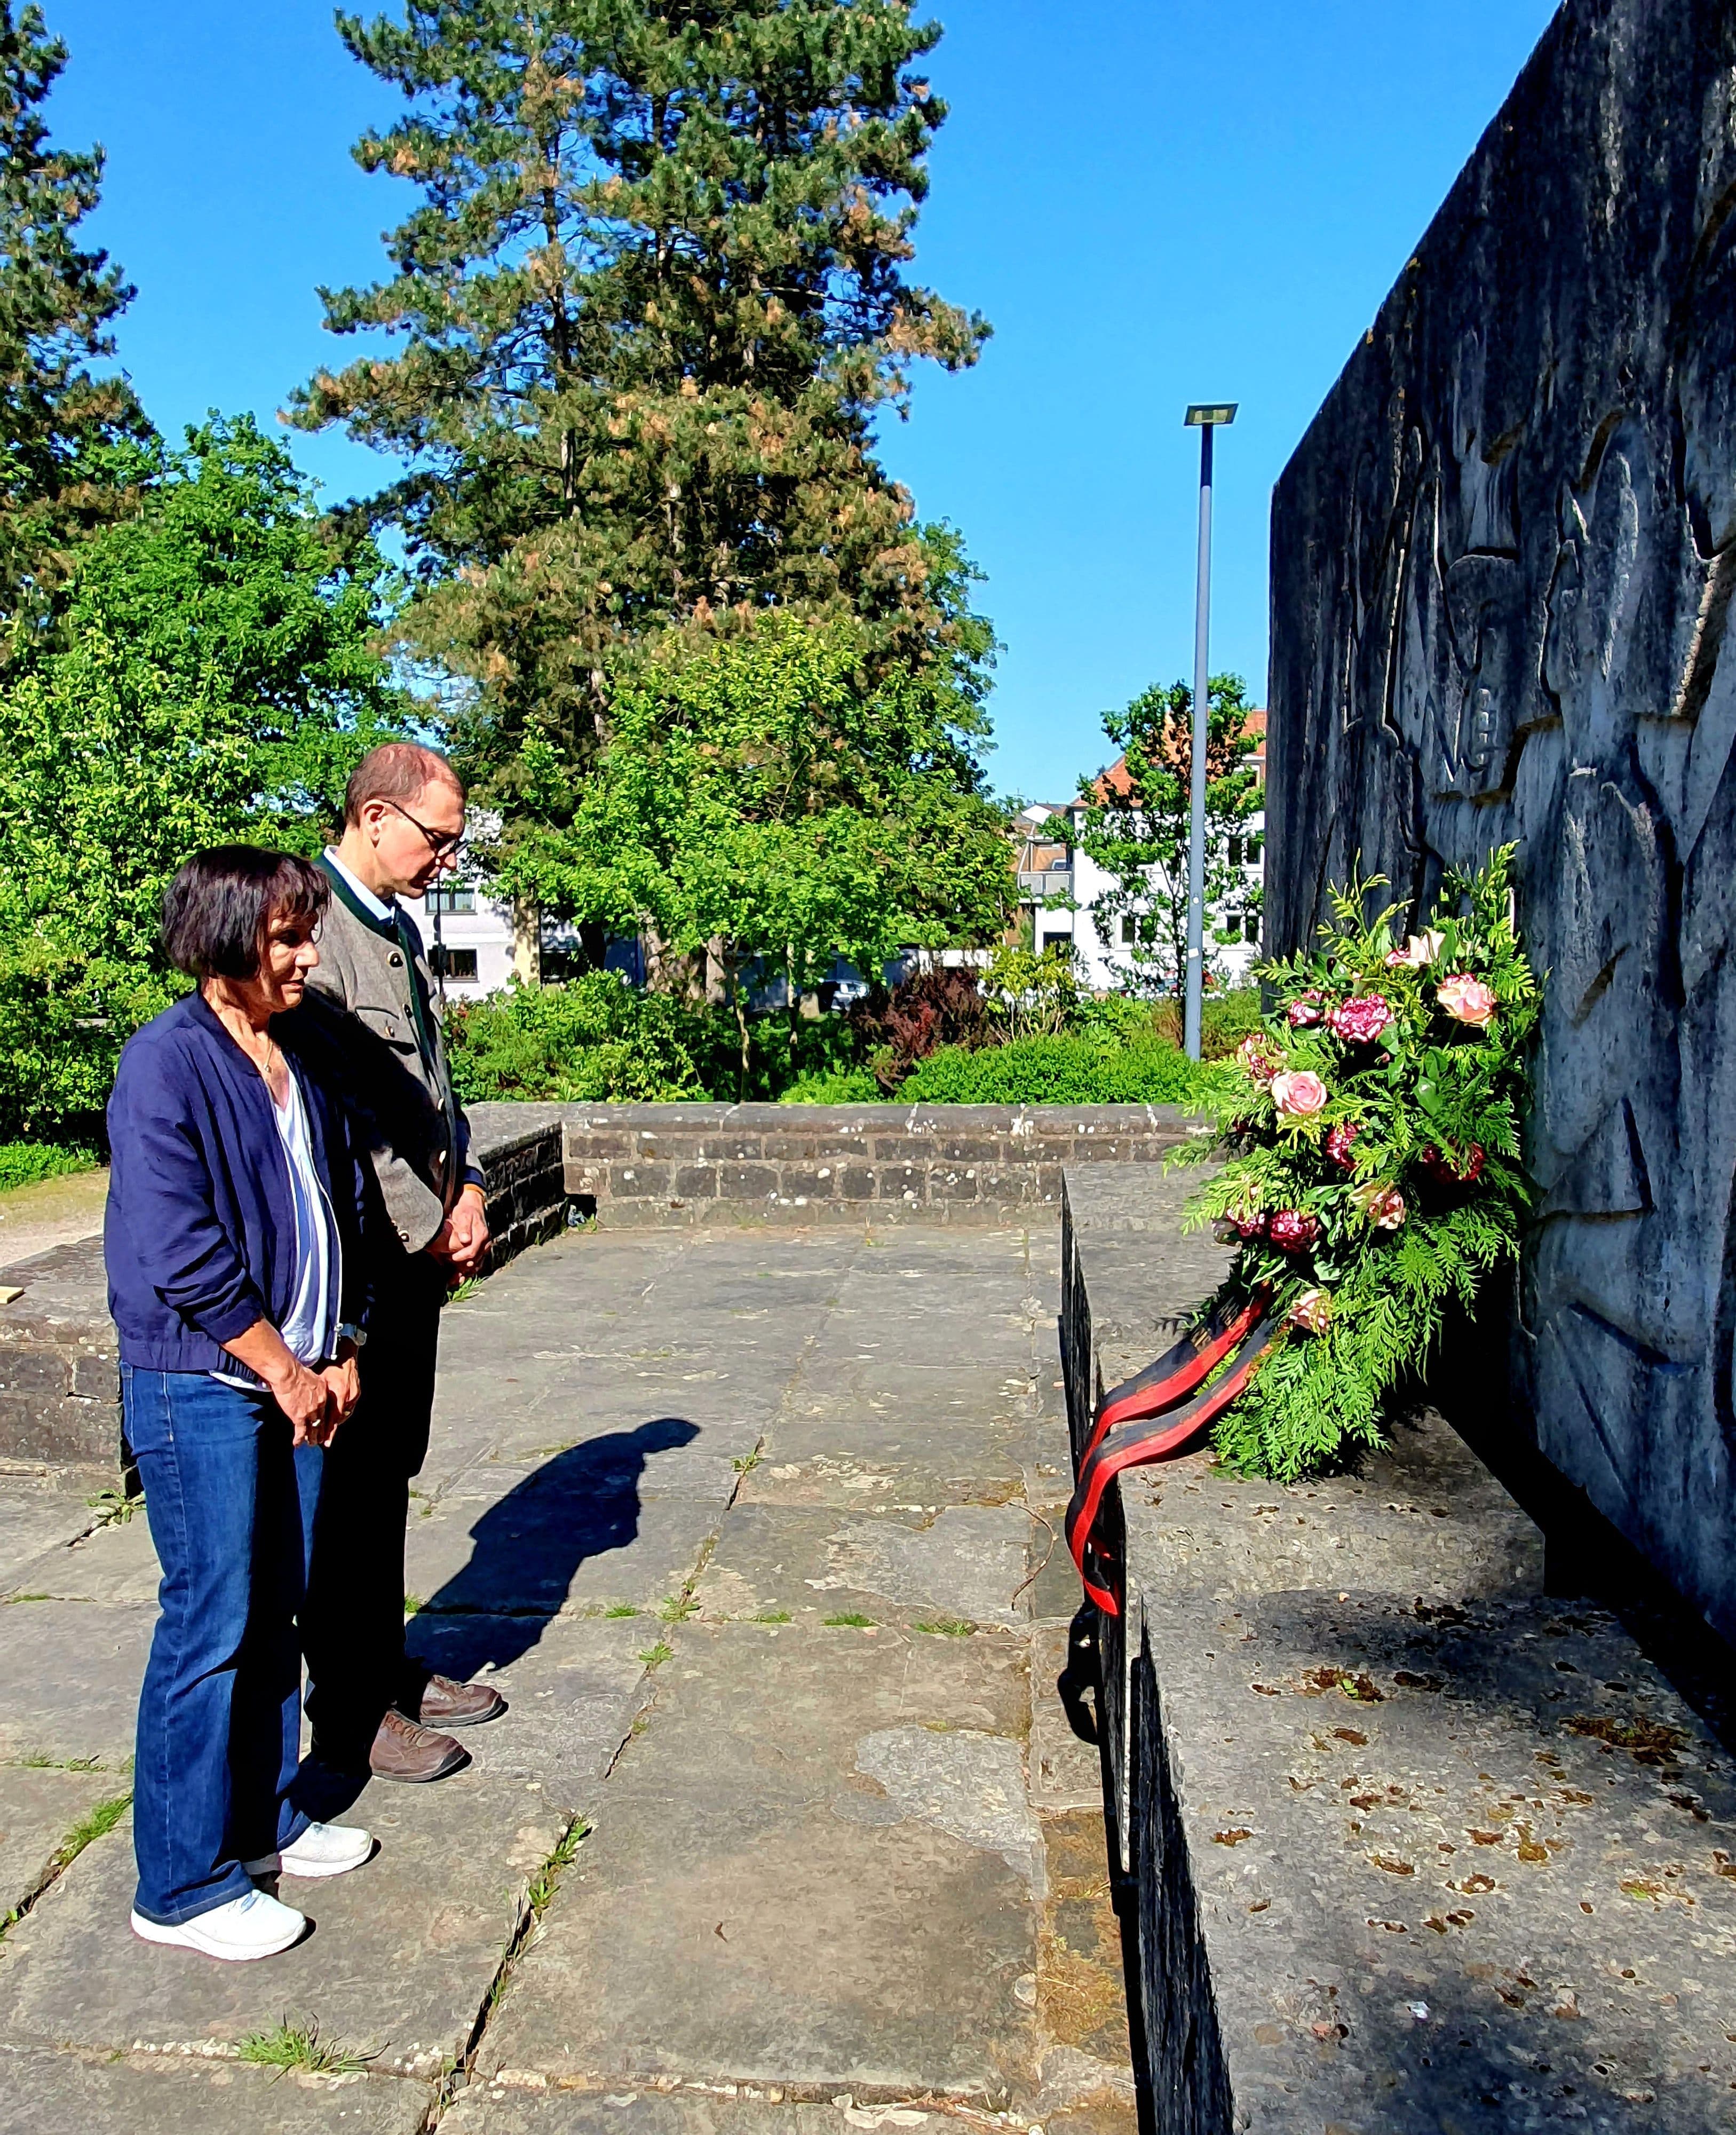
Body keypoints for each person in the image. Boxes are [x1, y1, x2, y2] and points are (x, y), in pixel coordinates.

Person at [106, 848, 375, 1962]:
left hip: (304, 1373)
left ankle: (259, 1819)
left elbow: (343, 1195)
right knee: (209, 1621)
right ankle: (178, 1879)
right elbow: (181, 1250)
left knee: (277, 1601)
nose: (307, 954)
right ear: (221, 942)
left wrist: (345, 1342)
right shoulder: (164, 1064)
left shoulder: (295, 1044)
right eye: (284, 938)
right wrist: (284, 1366)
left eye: (305, 931)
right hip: (205, 1383)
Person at [296, 741, 503, 1785]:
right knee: (347, 1484)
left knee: (391, 1471)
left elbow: (434, 1088)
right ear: (376, 817)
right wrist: (429, 1221)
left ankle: (386, 1663)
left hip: (416, 1252)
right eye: (437, 836)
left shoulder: (401, 929)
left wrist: (467, 1188)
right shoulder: (310, 934)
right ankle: (348, 1705)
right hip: (356, 1265)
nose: (446, 857)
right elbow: (341, 1118)